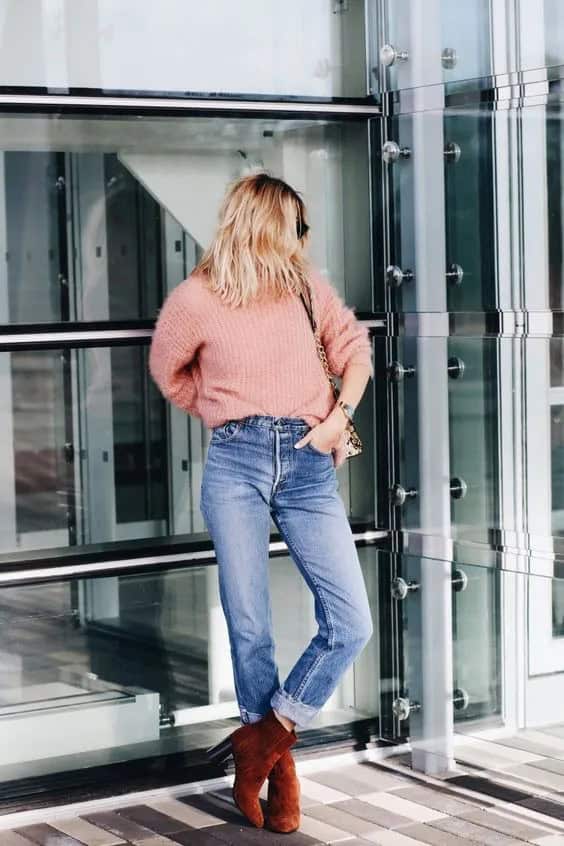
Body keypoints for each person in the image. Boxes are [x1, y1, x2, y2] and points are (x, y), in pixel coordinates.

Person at [148, 172, 374, 833]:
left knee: (350, 622)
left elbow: (354, 351)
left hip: (309, 465)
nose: (306, 237)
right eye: (298, 225)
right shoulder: (195, 299)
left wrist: (340, 417)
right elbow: (170, 371)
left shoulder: (307, 287)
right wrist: (225, 416)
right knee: (250, 626)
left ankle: (266, 737)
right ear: (270, 226)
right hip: (236, 465)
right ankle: (278, 773)